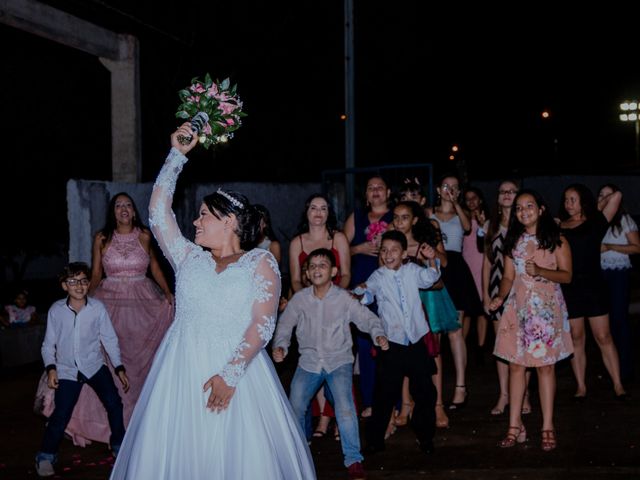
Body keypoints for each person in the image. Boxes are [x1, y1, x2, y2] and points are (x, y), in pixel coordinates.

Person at [110, 124, 315, 479]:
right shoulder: (188, 258)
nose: (195, 221)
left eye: (204, 214)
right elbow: (159, 212)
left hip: (238, 372)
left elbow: (262, 324)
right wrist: (177, 155)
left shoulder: (260, 262)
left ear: (230, 221)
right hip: (181, 372)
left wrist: (230, 375)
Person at [59, 192, 175, 447]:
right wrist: (83, 302)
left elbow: (155, 266)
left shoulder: (144, 235)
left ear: (134, 211)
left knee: (140, 364)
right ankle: (103, 424)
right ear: (113, 212)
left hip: (143, 302)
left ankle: (140, 422)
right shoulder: (102, 238)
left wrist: (167, 292)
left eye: (128, 205)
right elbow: (97, 273)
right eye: (118, 205)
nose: (123, 209)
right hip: (109, 303)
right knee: (106, 358)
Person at [272, 248, 388, 480]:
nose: (316, 269)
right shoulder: (300, 299)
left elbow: (368, 319)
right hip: (309, 362)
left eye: (322, 265)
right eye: (312, 266)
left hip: (339, 362)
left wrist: (378, 335)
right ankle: (299, 448)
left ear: (334, 271)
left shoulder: (344, 298)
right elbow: (285, 325)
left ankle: (354, 459)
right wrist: (281, 345)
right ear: (306, 272)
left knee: (345, 407)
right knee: (295, 403)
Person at [489, 190, 573, 451]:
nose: (523, 211)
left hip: (545, 310)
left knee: (544, 368)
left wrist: (542, 271)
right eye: (519, 208)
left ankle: (547, 425)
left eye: (529, 206)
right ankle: (515, 426)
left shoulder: (556, 240)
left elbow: (567, 276)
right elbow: (507, 277)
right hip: (518, 308)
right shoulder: (513, 240)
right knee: (516, 366)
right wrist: (500, 298)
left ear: (541, 209)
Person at [35, 262, 129, 478]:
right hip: (67, 370)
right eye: (73, 281)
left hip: (94, 366)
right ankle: (46, 455)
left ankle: (118, 446)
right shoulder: (56, 311)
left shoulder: (97, 309)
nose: (79, 286)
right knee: (61, 414)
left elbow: (109, 339)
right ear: (64, 286)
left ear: (89, 284)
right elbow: (48, 345)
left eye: (84, 281)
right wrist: (51, 368)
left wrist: (119, 367)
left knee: (114, 404)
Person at [360, 230, 440, 456]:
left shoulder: (412, 271)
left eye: (394, 250)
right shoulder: (378, 276)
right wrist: (359, 293)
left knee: (425, 392)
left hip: (415, 341)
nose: (388, 254)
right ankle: (375, 439)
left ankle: (425, 436)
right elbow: (368, 293)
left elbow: (430, 278)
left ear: (404, 253)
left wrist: (431, 259)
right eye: (384, 250)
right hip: (392, 344)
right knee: (384, 394)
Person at [289, 193, 352, 437]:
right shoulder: (297, 242)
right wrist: (307, 301)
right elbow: (295, 278)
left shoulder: (338, 238)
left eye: (323, 208)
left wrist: (335, 298)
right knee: (313, 363)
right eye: (313, 208)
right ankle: (323, 419)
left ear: (329, 213)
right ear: (307, 212)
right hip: (308, 311)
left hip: (335, 309)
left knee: (337, 365)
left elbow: (346, 274)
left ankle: (336, 420)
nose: (318, 213)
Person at [558, 183, 627, 400]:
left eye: (573, 199)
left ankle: (618, 384)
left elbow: (617, 195)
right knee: (577, 337)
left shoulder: (596, 221)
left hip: (594, 286)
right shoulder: (560, 226)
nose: (568, 204)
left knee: (603, 336)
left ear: (583, 201)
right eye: (566, 200)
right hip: (570, 287)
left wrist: (591, 206)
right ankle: (581, 386)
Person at [428, 174, 481, 409]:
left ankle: (461, 387)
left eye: (454, 187)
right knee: (434, 332)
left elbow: (468, 227)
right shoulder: (428, 213)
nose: (449, 189)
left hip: (456, 270)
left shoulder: (462, 214)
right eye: (446, 185)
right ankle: (434, 391)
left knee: (455, 332)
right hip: (433, 268)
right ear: (439, 189)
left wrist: (456, 203)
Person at [344, 175, 393, 418]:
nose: (375, 191)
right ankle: (370, 400)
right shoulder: (357, 217)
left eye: (380, 187)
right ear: (366, 194)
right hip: (361, 283)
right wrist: (360, 248)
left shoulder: (396, 216)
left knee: (391, 340)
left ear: (388, 192)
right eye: (370, 187)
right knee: (365, 343)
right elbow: (341, 250)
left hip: (389, 286)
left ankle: (394, 403)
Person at [482, 180, 533, 416]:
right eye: (502, 191)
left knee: (525, 344)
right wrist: (485, 294)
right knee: (502, 347)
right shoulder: (490, 225)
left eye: (512, 191)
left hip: (522, 288)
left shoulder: (524, 223)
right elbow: (487, 262)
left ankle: (523, 395)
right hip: (497, 288)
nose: (507, 195)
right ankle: (504, 395)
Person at [598, 184, 640, 383]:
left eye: (609, 195)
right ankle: (611, 369)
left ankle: (626, 369)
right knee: (602, 326)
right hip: (598, 275)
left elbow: (636, 248)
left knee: (619, 321)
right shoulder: (595, 221)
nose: (605, 199)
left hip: (618, 274)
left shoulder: (624, 220)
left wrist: (609, 246)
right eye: (601, 195)